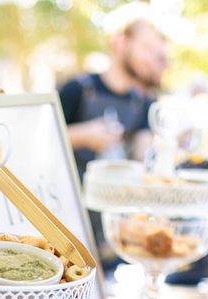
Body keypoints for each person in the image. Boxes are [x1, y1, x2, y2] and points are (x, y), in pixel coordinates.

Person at [59, 3, 169, 266]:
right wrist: (82, 135)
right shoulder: (78, 89)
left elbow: (143, 158)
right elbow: (38, 141)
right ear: (121, 42)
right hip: (65, 224)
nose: (151, 59)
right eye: (146, 48)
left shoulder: (143, 104)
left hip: (114, 235)